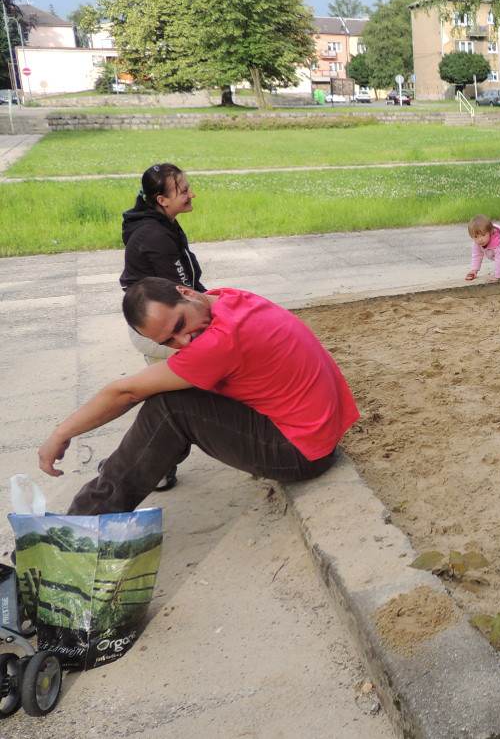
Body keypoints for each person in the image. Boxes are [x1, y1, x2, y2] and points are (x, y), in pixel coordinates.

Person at [36, 277, 360, 516]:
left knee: (168, 407)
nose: (185, 340)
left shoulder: (218, 343)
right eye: (170, 341)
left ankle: (81, 522)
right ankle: (137, 465)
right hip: (315, 433)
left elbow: (125, 391)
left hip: (301, 452)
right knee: (176, 391)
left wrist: (61, 433)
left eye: (180, 324)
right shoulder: (229, 299)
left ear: (186, 292)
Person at [119, 163, 206, 491]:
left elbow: (190, 286)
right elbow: (181, 294)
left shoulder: (162, 224)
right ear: (161, 199)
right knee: (170, 402)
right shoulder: (154, 236)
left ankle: (142, 463)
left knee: (169, 400)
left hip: (162, 324)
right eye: (182, 191)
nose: (191, 193)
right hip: (158, 331)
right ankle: (143, 467)